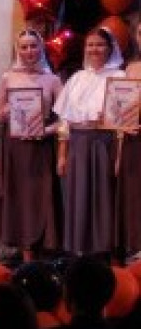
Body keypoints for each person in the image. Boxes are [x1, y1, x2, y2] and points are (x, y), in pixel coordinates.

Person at [53, 27, 124, 260]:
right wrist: (62, 154)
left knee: (105, 198)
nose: (94, 49)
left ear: (110, 48)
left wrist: (119, 155)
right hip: (77, 145)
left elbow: (123, 123)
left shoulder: (119, 78)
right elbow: (64, 121)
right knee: (79, 198)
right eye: (90, 45)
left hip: (104, 144)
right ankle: (82, 255)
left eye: (100, 45)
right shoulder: (76, 78)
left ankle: (109, 255)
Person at [0, 29, 64, 262]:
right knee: (20, 197)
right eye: (24, 47)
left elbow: (65, 119)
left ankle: (44, 253)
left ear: (41, 48)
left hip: (41, 147)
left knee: (41, 196)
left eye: (33, 46)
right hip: (15, 147)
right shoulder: (8, 77)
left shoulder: (52, 79)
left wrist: (46, 130)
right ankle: (26, 258)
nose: (29, 51)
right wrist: (4, 114)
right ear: (18, 50)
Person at [116, 21, 141, 263]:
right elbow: (120, 109)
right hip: (134, 139)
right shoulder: (130, 68)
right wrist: (121, 125)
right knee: (135, 194)